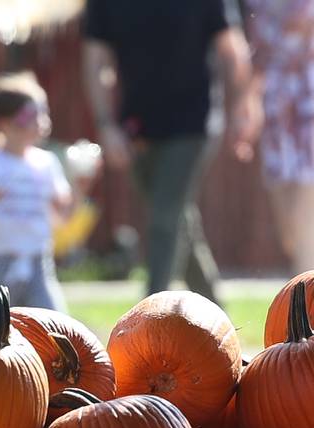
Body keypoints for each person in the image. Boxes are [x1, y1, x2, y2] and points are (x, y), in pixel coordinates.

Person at [82, 0, 262, 303]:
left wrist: (243, 104)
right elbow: (95, 60)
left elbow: (231, 49)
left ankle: (149, 312)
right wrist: (106, 125)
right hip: (138, 127)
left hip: (194, 122)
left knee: (164, 216)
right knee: (176, 216)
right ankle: (217, 311)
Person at [0, 72, 74, 310]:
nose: (41, 122)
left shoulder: (47, 163)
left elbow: (63, 217)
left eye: (43, 113)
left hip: (37, 261)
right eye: (32, 115)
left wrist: (80, 189)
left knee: (54, 326)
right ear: (5, 123)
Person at [245, 0, 314, 275]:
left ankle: (305, 297)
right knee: (286, 226)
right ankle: (302, 275)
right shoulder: (258, 4)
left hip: (307, 105)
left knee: (306, 208)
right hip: (274, 109)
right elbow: (255, 55)